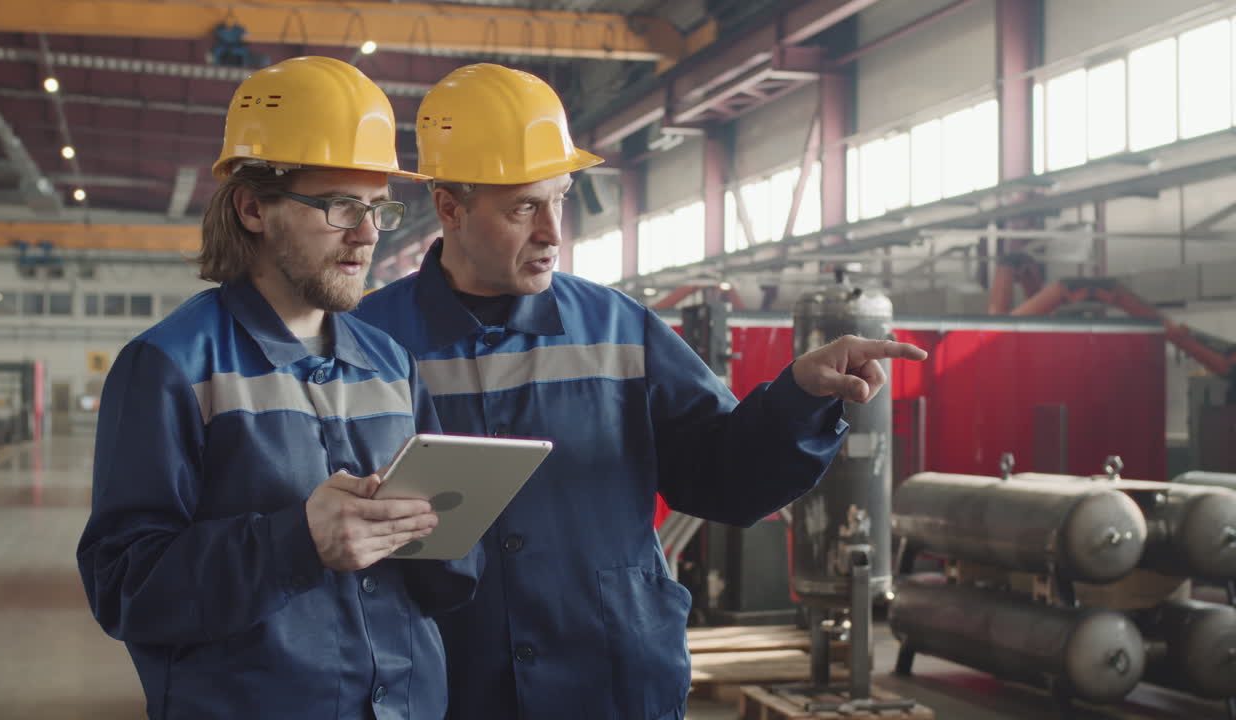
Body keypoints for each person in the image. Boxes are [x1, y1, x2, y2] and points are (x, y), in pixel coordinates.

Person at [353, 63, 927, 719]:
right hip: (445, 690)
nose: (552, 232)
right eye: (523, 208)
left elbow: (722, 477)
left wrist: (797, 397)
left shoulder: (620, 331)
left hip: (611, 682)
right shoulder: (366, 341)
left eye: (560, 199)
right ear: (450, 207)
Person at [76, 56, 482, 720]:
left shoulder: (390, 364)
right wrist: (296, 542)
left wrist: (443, 534)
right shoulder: (170, 367)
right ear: (252, 208)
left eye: (379, 208)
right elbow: (124, 586)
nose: (368, 234)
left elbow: (443, 577)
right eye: (340, 206)